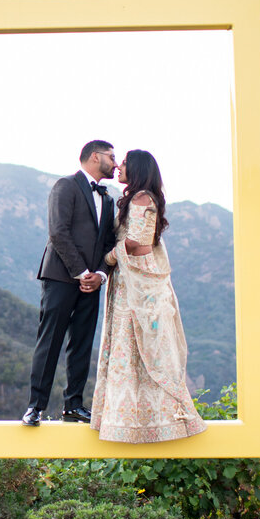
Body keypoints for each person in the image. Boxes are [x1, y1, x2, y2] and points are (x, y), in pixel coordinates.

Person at [90, 149, 206, 443]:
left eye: (125, 162)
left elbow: (139, 244)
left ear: (138, 167)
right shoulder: (138, 196)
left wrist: (110, 258)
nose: (119, 166)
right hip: (129, 283)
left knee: (140, 346)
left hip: (137, 284)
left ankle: (151, 421)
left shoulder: (143, 198)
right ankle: (129, 420)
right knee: (130, 346)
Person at [21, 140, 118, 427]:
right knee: (50, 340)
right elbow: (58, 232)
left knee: (82, 344)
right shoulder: (66, 186)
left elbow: (109, 243)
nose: (115, 162)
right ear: (94, 157)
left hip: (92, 284)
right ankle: (35, 407)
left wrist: (100, 275)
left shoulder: (109, 199)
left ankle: (73, 405)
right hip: (62, 278)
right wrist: (82, 272)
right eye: (112, 157)